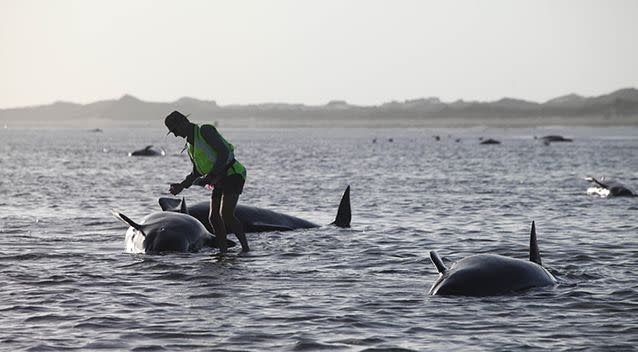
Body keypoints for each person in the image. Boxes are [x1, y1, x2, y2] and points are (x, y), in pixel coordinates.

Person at [164, 111, 249, 253]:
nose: (175, 135)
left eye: (174, 130)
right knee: (213, 217)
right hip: (218, 179)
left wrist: (212, 174)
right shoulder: (190, 145)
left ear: (183, 122)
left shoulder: (205, 130)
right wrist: (181, 186)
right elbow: (196, 172)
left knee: (226, 214)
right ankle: (223, 252)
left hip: (233, 174)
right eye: (172, 132)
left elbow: (224, 153)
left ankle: (246, 249)